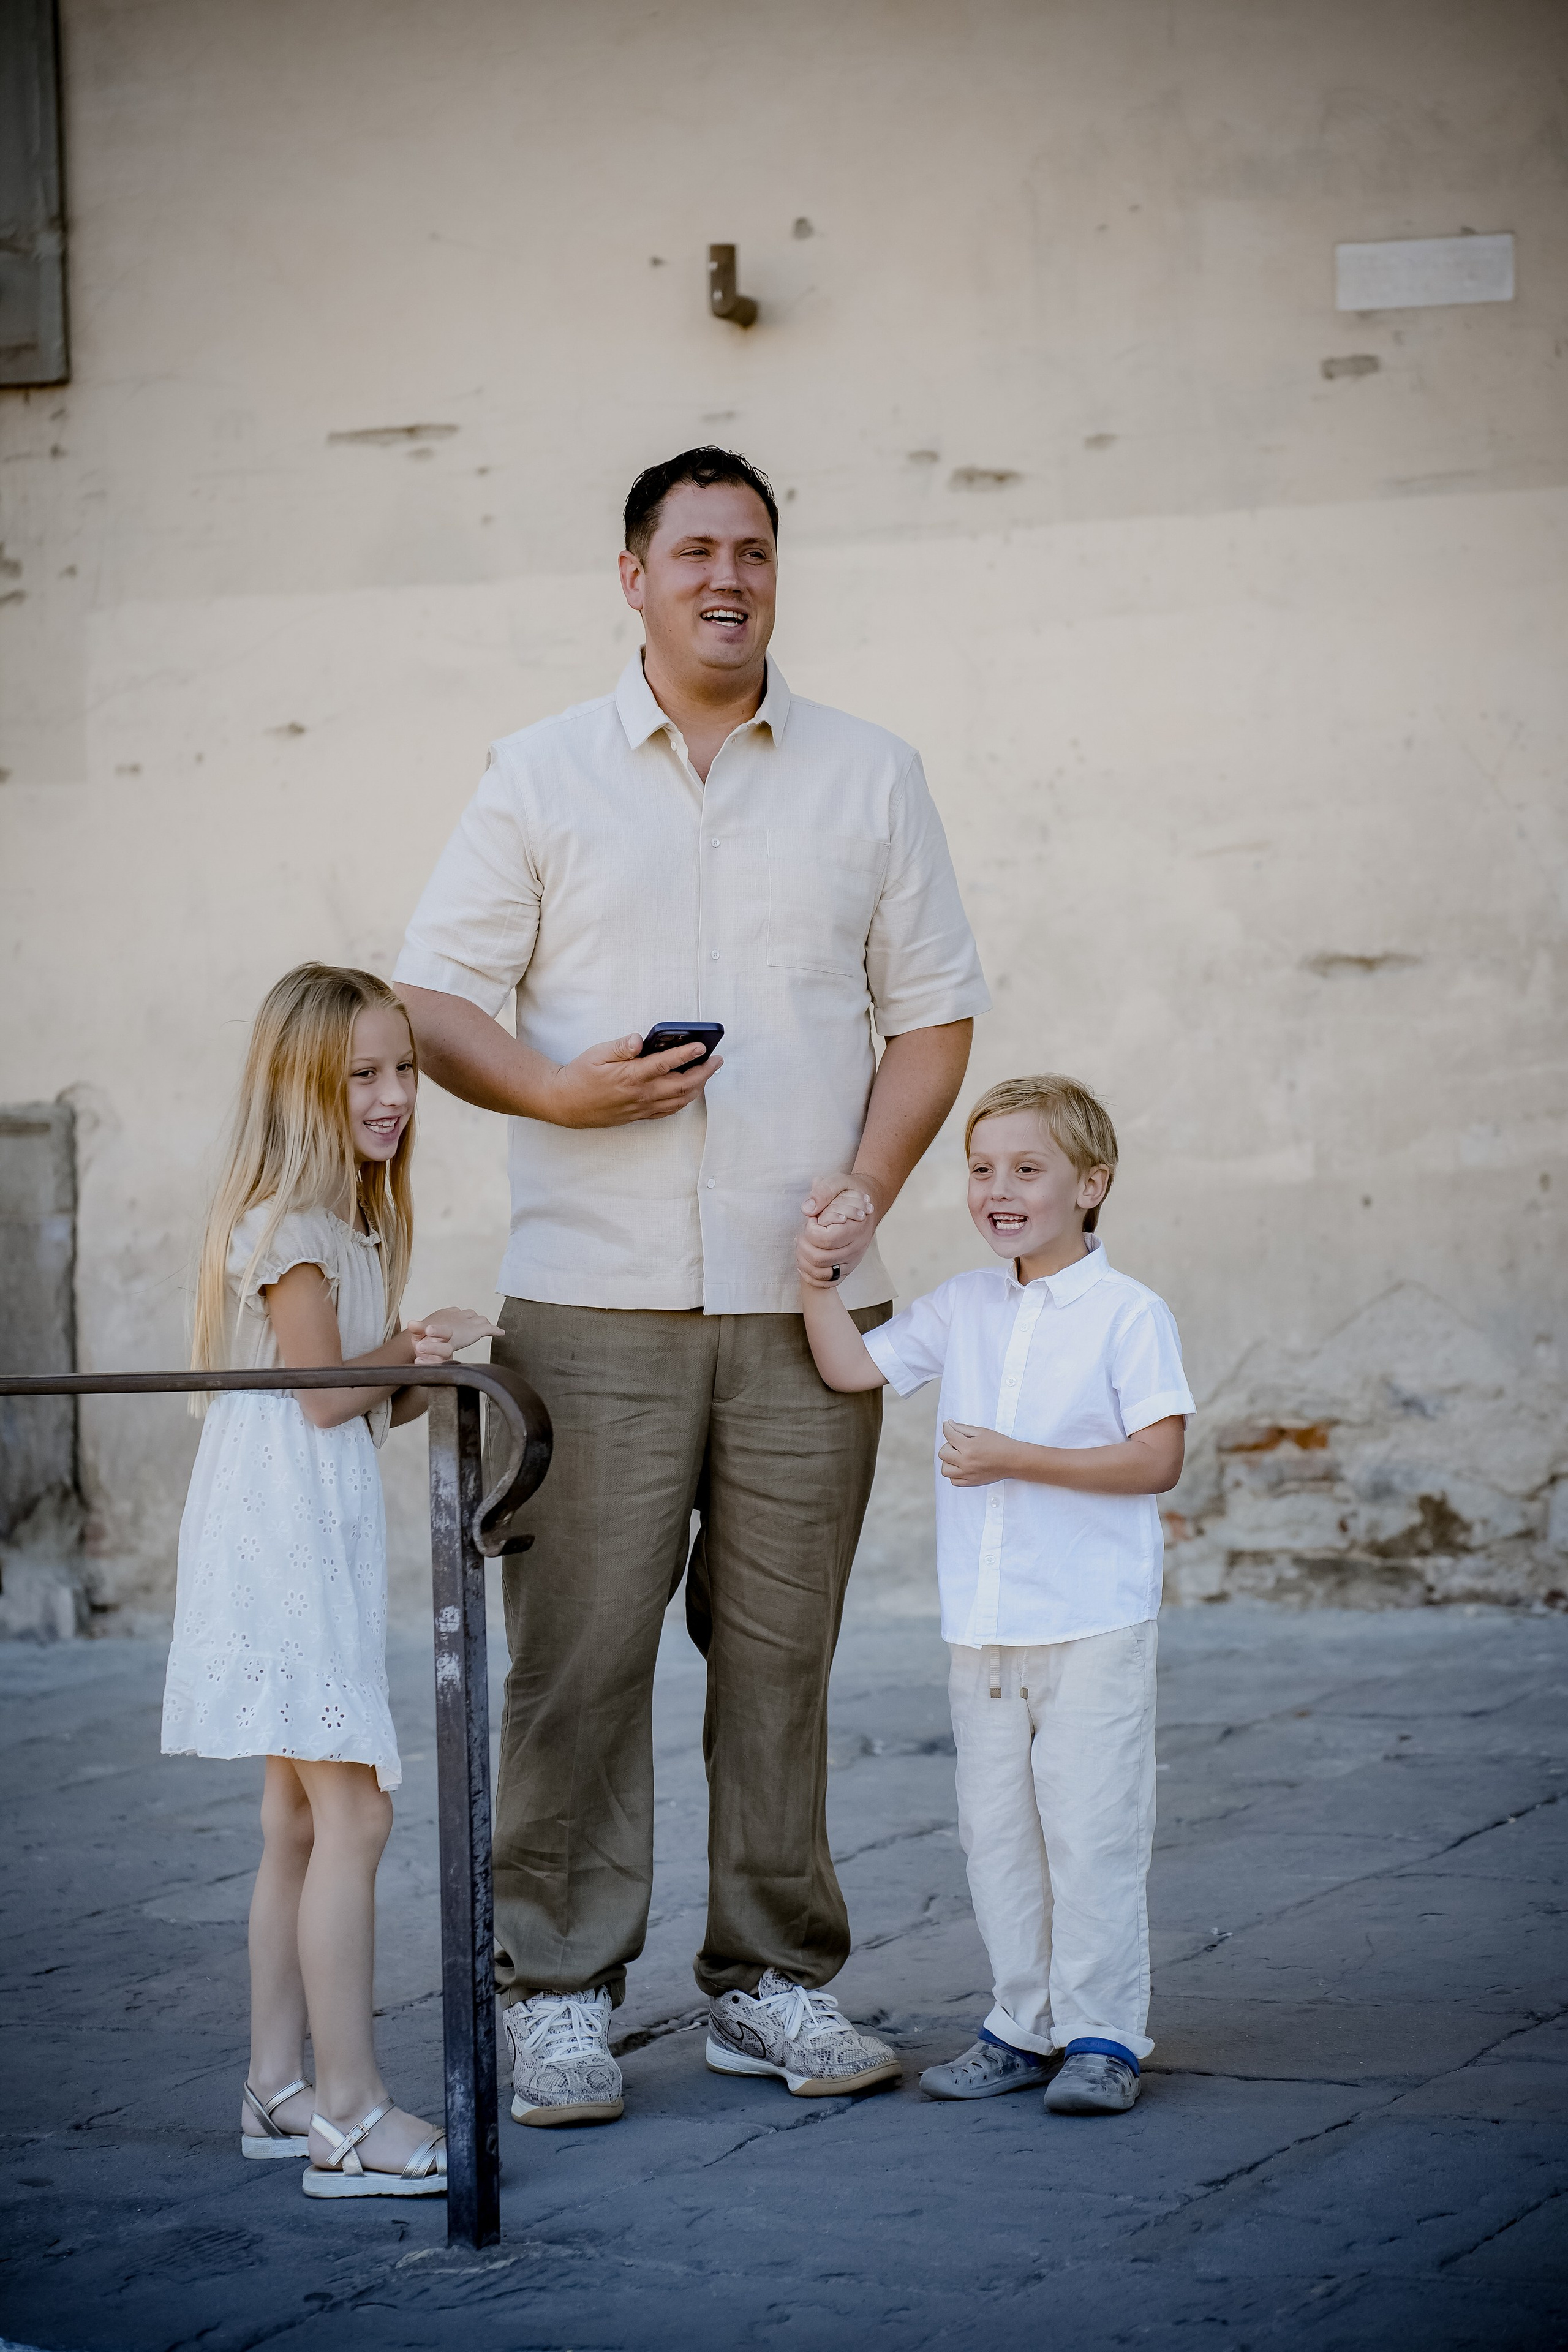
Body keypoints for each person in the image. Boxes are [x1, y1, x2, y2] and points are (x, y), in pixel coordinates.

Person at [393, 446, 990, 2122]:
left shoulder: (873, 776)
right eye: (696, 550)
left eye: (756, 550)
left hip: (810, 1303)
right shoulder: (539, 773)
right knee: (576, 1659)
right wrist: (556, 1090)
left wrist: (872, 1182)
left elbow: (934, 1015)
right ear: (634, 575)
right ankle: (560, 1991)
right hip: (592, 1302)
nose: (729, 575)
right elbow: (432, 999)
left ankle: (775, 1981)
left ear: (777, 575)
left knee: (780, 1655)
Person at [162, 963, 500, 2196]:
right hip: (282, 1536)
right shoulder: (288, 1227)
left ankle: (275, 2086)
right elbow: (320, 1394)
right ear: (303, 1085)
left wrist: (421, 1368)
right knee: (354, 1812)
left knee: (298, 1818)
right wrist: (406, 1352)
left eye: (402, 1069)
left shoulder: (354, 1220)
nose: (395, 1093)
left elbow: (361, 1400)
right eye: (364, 1073)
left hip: (313, 1523)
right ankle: (348, 2115)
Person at [797, 1074, 1193, 2117]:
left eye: (1028, 1170)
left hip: (1092, 1621)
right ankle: (1022, 2023)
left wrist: (1017, 1457)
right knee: (998, 1834)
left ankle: (1104, 2032)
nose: (998, 1190)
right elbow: (848, 1369)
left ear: (1090, 1185)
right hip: (984, 1627)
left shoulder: (1128, 1314)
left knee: (1092, 1827)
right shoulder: (963, 1306)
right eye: (981, 1171)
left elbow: (1158, 1460)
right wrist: (814, 1279)